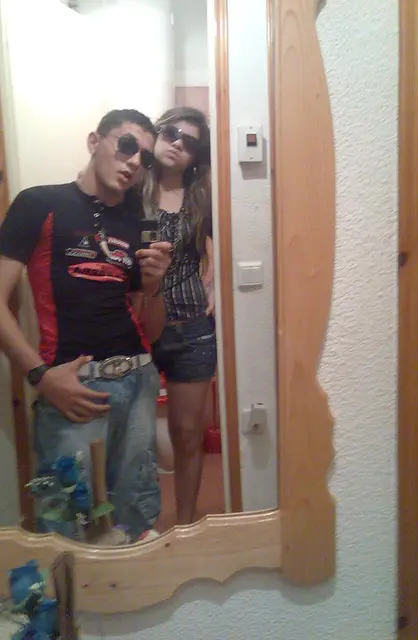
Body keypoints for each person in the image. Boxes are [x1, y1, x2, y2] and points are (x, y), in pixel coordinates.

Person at [0, 109, 172, 541]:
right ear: (95, 141)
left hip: (138, 378)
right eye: (126, 145)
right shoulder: (39, 204)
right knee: (67, 522)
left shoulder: (136, 221)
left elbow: (150, 329)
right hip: (74, 385)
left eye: (145, 157)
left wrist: (154, 284)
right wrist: (40, 376)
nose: (134, 162)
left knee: (134, 514)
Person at [142, 106, 216, 525]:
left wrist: (218, 284)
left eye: (189, 142)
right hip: (135, 328)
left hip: (191, 328)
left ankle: (186, 524)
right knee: (133, 437)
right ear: (157, 133)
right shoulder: (132, 188)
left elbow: (238, 240)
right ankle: (137, 530)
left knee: (187, 433)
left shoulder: (203, 195)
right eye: (171, 133)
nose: (177, 144)